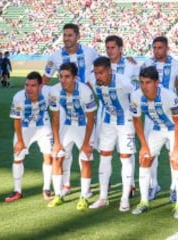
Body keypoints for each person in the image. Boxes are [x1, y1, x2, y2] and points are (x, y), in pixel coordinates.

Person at [43, 23, 99, 196]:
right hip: (65, 110)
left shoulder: (90, 53)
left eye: (70, 35)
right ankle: (64, 185)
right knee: (62, 152)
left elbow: (103, 67)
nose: (67, 38)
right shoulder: (55, 56)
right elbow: (45, 79)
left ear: (77, 36)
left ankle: (90, 186)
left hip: (85, 106)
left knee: (88, 150)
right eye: (64, 35)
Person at [129, 66, 178, 219]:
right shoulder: (135, 96)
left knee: (176, 161)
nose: (144, 86)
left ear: (156, 83)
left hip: (175, 128)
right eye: (141, 82)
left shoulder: (169, 96)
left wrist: (175, 149)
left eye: (148, 82)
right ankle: (144, 202)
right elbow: (137, 121)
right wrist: (143, 146)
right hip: (156, 128)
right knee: (145, 159)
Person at [88, 57, 136, 212]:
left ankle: (124, 198)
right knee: (104, 156)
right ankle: (103, 198)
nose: (98, 76)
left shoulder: (123, 82)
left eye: (101, 73)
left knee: (125, 158)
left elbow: (138, 93)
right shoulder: (94, 81)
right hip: (108, 121)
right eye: (96, 73)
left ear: (110, 71)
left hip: (125, 122)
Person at [142, 36, 178, 202]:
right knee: (150, 153)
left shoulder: (176, 64)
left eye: (160, 47)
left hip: (170, 113)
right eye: (154, 47)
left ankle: (175, 188)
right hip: (151, 115)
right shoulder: (146, 64)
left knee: (173, 152)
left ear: (167, 48)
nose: (157, 51)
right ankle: (154, 185)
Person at [47, 62, 97, 210]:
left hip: (84, 127)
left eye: (67, 77)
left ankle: (83, 196)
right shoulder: (55, 91)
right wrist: (56, 141)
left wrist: (86, 143)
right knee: (57, 156)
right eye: (60, 76)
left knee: (86, 159)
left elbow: (90, 118)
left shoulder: (85, 91)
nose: (63, 80)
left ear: (75, 78)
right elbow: (55, 118)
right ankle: (58, 195)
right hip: (67, 125)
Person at [5, 71, 53, 203]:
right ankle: (17, 191)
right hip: (24, 128)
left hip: (44, 126)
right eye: (27, 85)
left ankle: (46, 188)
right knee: (18, 157)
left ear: (41, 86)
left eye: (33, 85)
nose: (29, 88)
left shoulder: (49, 92)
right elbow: (16, 120)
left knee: (49, 157)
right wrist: (20, 141)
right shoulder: (18, 97)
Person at [104, 35, 140, 197]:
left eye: (113, 47)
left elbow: (139, 84)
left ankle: (130, 184)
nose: (110, 50)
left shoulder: (131, 65)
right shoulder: (101, 65)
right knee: (105, 151)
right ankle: (106, 182)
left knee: (126, 151)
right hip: (105, 115)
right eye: (108, 48)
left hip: (126, 114)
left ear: (120, 48)